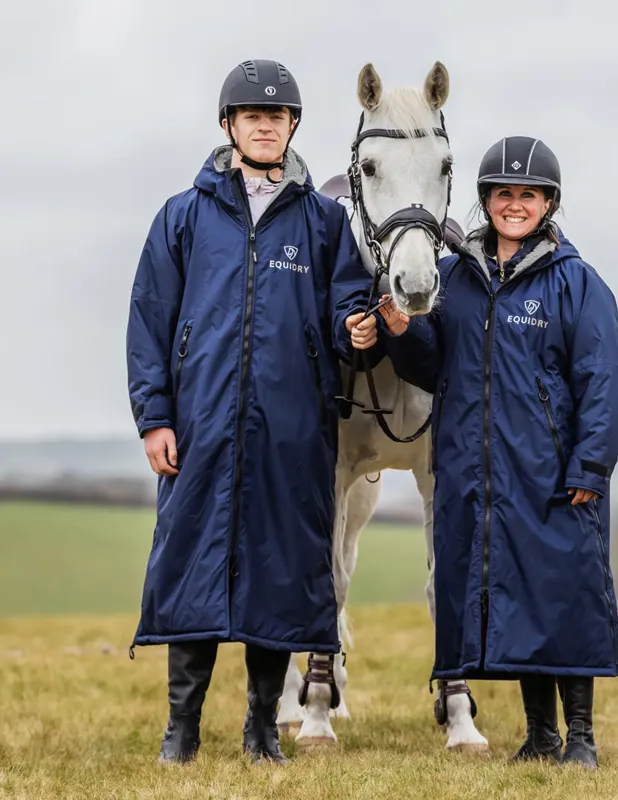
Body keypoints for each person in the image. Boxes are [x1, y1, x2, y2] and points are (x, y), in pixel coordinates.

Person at [126, 59, 380, 765]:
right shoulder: (182, 216)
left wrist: (355, 328)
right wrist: (155, 418)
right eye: (252, 115)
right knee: (190, 567)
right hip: (199, 429)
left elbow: (345, 306)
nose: (266, 125)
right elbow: (150, 321)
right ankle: (181, 728)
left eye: (277, 116)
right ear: (229, 125)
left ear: (293, 126)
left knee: (281, 574)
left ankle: (263, 727)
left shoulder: (324, 221)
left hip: (292, 433)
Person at [378, 136, 618, 769]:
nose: (515, 205)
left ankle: (581, 736)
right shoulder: (457, 278)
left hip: (554, 475)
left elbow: (602, 381)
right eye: (503, 194)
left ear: (549, 204)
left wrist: (590, 465)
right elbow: (434, 367)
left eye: (528, 195)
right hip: (480, 475)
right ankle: (540, 736)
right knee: (518, 605)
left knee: (565, 598)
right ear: (485, 200)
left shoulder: (578, 283)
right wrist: (402, 332)